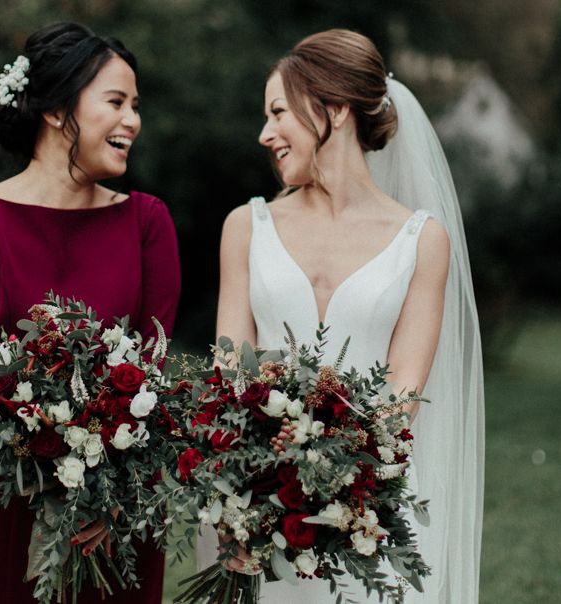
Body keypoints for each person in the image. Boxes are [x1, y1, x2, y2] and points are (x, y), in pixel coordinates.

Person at [198, 29, 484, 603]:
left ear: (333, 107)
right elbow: (229, 374)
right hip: (261, 502)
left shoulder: (421, 240)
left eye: (278, 112)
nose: (264, 133)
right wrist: (250, 487)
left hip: (369, 510)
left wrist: (336, 477)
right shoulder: (244, 228)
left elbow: (403, 394)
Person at [0, 22, 180, 604]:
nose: (133, 120)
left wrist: (106, 490)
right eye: (116, 102)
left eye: (136, 105)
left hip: (115, 516)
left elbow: (153, 371)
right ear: (58, 111)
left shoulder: (147, 224)